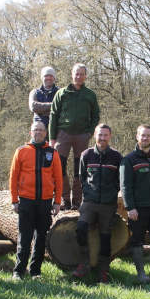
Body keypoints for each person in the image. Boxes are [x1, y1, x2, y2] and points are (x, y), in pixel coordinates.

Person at [9, 121, 62, 280]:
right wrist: (14, 200)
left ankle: (35, 271)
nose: (38, 132)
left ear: (45, 133)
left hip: (45, 202)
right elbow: (13, 178)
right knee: (24, 237)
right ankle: (18, 271)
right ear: (31, 132)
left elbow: (58, 179)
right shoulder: (21, 151)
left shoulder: (53, 153)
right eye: (35, 130)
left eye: (41, 130)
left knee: (40, 238)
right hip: (26, 201)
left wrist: (57, 201)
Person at [120, 124, 150, 283]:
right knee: (137, 241)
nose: (145, 138)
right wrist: (130, 207)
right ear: (137, 137)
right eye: (143, 135)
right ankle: (141, 273)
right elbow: (125, 186)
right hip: (138, 210)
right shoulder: (129, 160)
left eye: (148, 135)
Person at [74, 124, 122, 283]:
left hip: (108, 204)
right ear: (95, 135)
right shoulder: (86, 155)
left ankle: (103, 270)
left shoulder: (116, 156)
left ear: (110, 136)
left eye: (105, 135)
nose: (102, 138)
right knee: (80, 228)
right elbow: (81, 178)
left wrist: (112, 193)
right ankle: (84, 263)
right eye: (100, 135)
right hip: (89, 202)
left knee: (105, 237)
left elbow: (120, 181)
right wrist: (88, 193)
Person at [48, 63, 100, 210]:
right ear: (72, 74)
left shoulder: (90, 94)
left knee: (80, 168)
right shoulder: (62, 93)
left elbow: (96, 116)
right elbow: (53, 115)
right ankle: (64, 199)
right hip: (63, 135)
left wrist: (90, 133)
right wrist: (52, 138)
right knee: (59, 166)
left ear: (85, 76)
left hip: (82, 135)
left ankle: (77, 200)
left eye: (82, 74)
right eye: (76, 74)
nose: (79, 76)